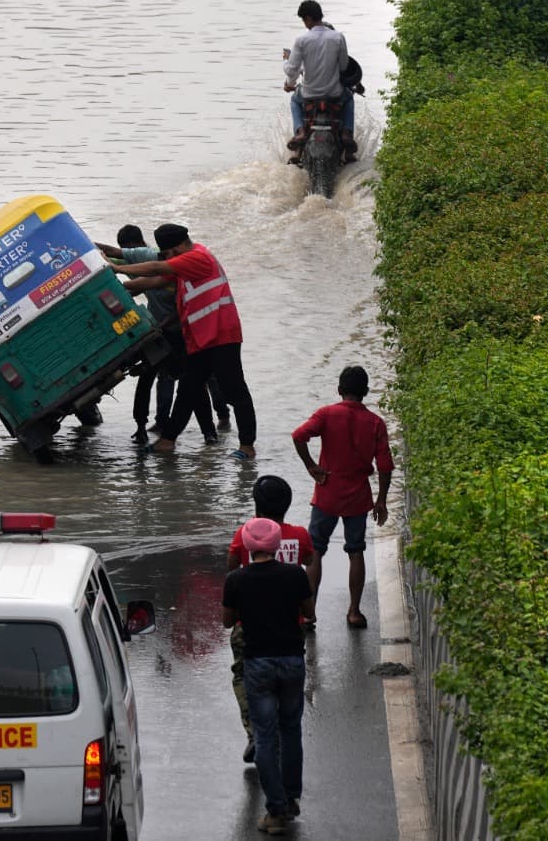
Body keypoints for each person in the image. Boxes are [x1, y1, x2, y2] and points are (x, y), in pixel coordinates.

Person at [112, 223, 257, 458]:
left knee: (234, 390)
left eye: (168, 253)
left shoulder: (198, 257)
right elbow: (155, 281)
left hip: (222, 335)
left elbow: (156, 267)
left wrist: (113, 267)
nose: (167, 258)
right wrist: (117, 286)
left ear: (179, 247)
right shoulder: (185, 263)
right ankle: (167, 440)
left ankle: (247, 446)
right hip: (201, 339)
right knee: (188, 389)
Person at [222, 518, 314, 834]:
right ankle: (290, 798)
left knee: (264, 736)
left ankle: (275, 810)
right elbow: (309, 612)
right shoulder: (296, 575)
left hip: (258, 664)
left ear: (247, 547)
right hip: (291, 661)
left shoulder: (236, 579)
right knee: (291, 731)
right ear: (277, 546)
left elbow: (227, 621)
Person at [98, 225, 228, 443]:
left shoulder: (179, 267)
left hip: (183, 333)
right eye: (166, 257)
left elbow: (179, 305)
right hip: (158, 331)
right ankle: (145, 425)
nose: (169, 260)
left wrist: (164, 323)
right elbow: (146, 279)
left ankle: (212, 428)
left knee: (196, 383)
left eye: (170, 257)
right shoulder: (146, 256)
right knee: (150, 377)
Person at [291, 366, 394, 630]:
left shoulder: (327, 413)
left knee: (315, 551)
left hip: (327, 491)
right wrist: (381, 500)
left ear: (339, 391)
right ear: (366, 393)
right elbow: (385, 466)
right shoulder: (375, 423)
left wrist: (311, 466)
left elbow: (298, 436)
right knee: (356, 550)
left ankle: (309, 613)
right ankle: (354, 611)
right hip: (358, 496)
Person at [226, 476, 314, 764]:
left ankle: (255, 731)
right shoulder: (300, 535)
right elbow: (310, 561)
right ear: (287, 505)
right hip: (291, 625)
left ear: (256, 506)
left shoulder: (244, 535)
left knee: (243, 675)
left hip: (248, 627)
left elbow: (230, 568)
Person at [282, 0, 357, 165]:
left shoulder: (301, 40)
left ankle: (300, 131)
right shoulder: (338, 37)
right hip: (334, 94)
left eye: (303, 20)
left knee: (294, 100)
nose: (304, 24)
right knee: (349, 98)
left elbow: (292, 70)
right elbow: (344, 66)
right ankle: (346, 133)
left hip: (309, 95)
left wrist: (285, 66)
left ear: (308, 18)